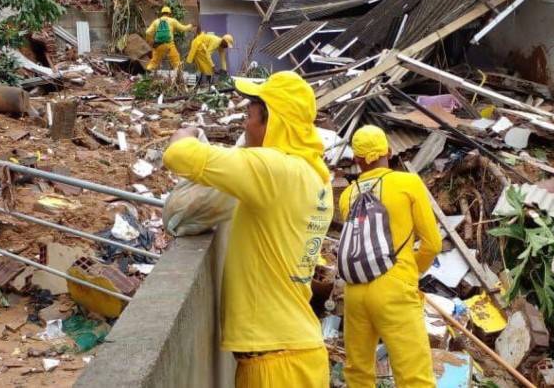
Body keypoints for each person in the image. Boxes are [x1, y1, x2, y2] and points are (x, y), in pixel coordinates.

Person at [163, 71, 333, 387]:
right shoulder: (314, 175)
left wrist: (186, 131)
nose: (244, 125)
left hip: (275, 366)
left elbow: (179, 156)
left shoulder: (275, 170)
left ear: (272, 122)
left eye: (249, 115)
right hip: (299, 353)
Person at [338, 125, 442, 388]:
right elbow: (432, 244)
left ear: (357, 160)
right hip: (394, 287)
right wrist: (409, 273)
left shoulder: (348, 195)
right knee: (414, 376)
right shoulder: (407, 183)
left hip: (355, 291)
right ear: (389, 150)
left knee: (358, 373)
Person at [145, 6, 193, 71]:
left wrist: (150, 41)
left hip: (158, 45)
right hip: (169, 45)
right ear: (169, 14)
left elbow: (147, 32)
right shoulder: (172, 21)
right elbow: (183, 28)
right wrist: (190, 26)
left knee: (154, 62)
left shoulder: (156, 21)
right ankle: (177, 78)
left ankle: (148, 73)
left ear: (161, 13)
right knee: (176, 62)